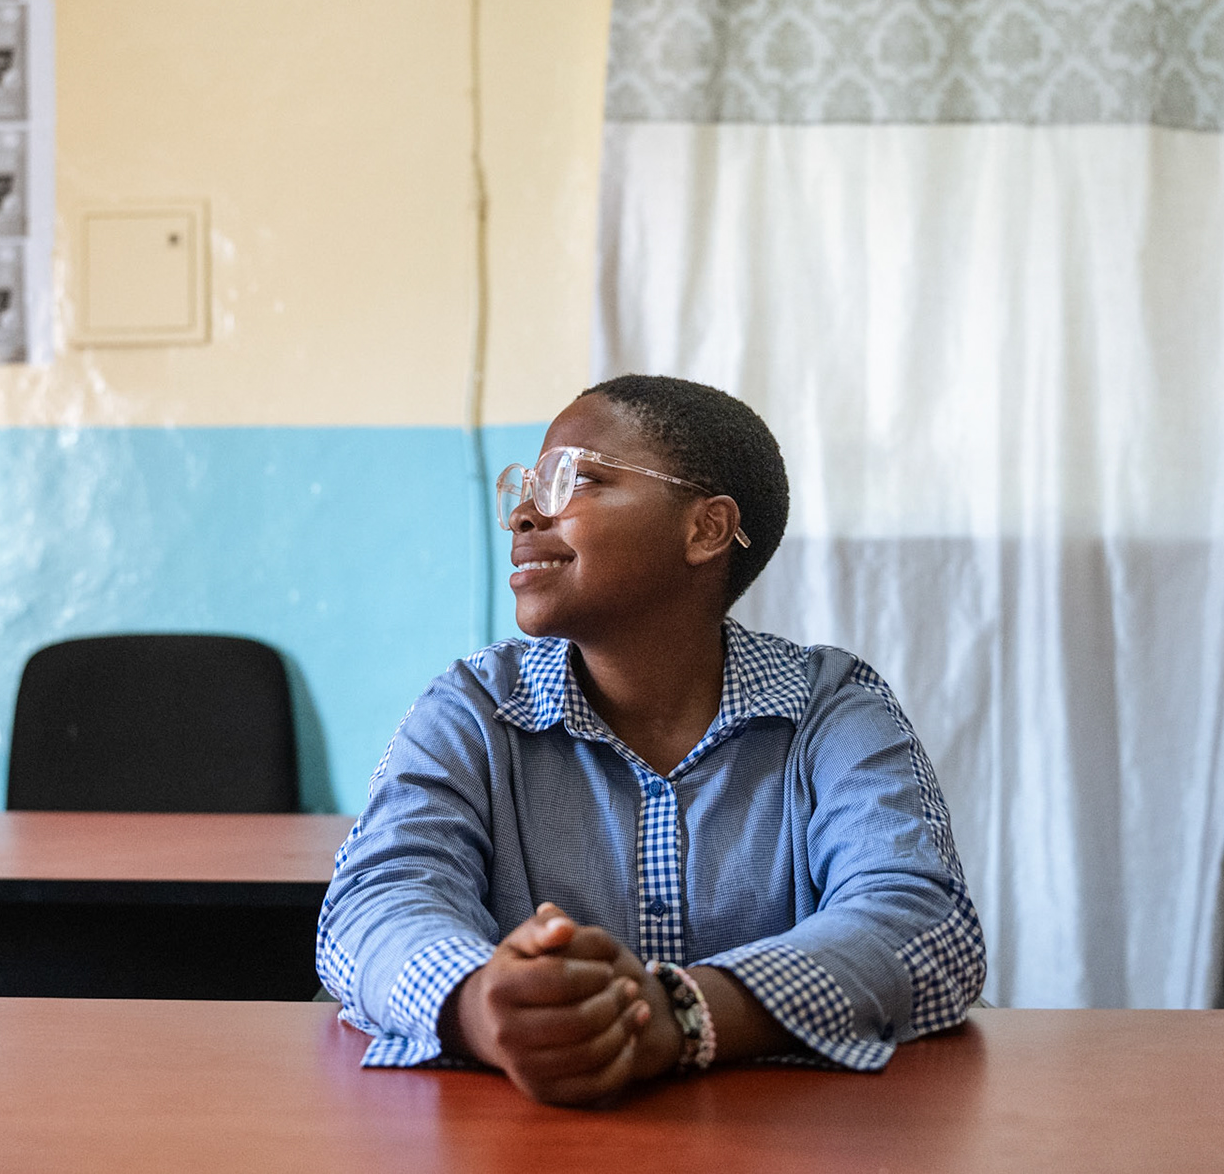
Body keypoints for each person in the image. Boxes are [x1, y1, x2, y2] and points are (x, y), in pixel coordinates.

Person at [316, 374, 986, 1107]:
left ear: (705, 530)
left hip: (774, 1135)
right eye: (528, 487)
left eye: (575, 480)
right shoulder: (474, 709)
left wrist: (679, 1014)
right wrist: (485, 1004)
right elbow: (375, 902)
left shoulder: (828, 709)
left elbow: (922, 921)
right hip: (529, 1136)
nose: (525, 515)